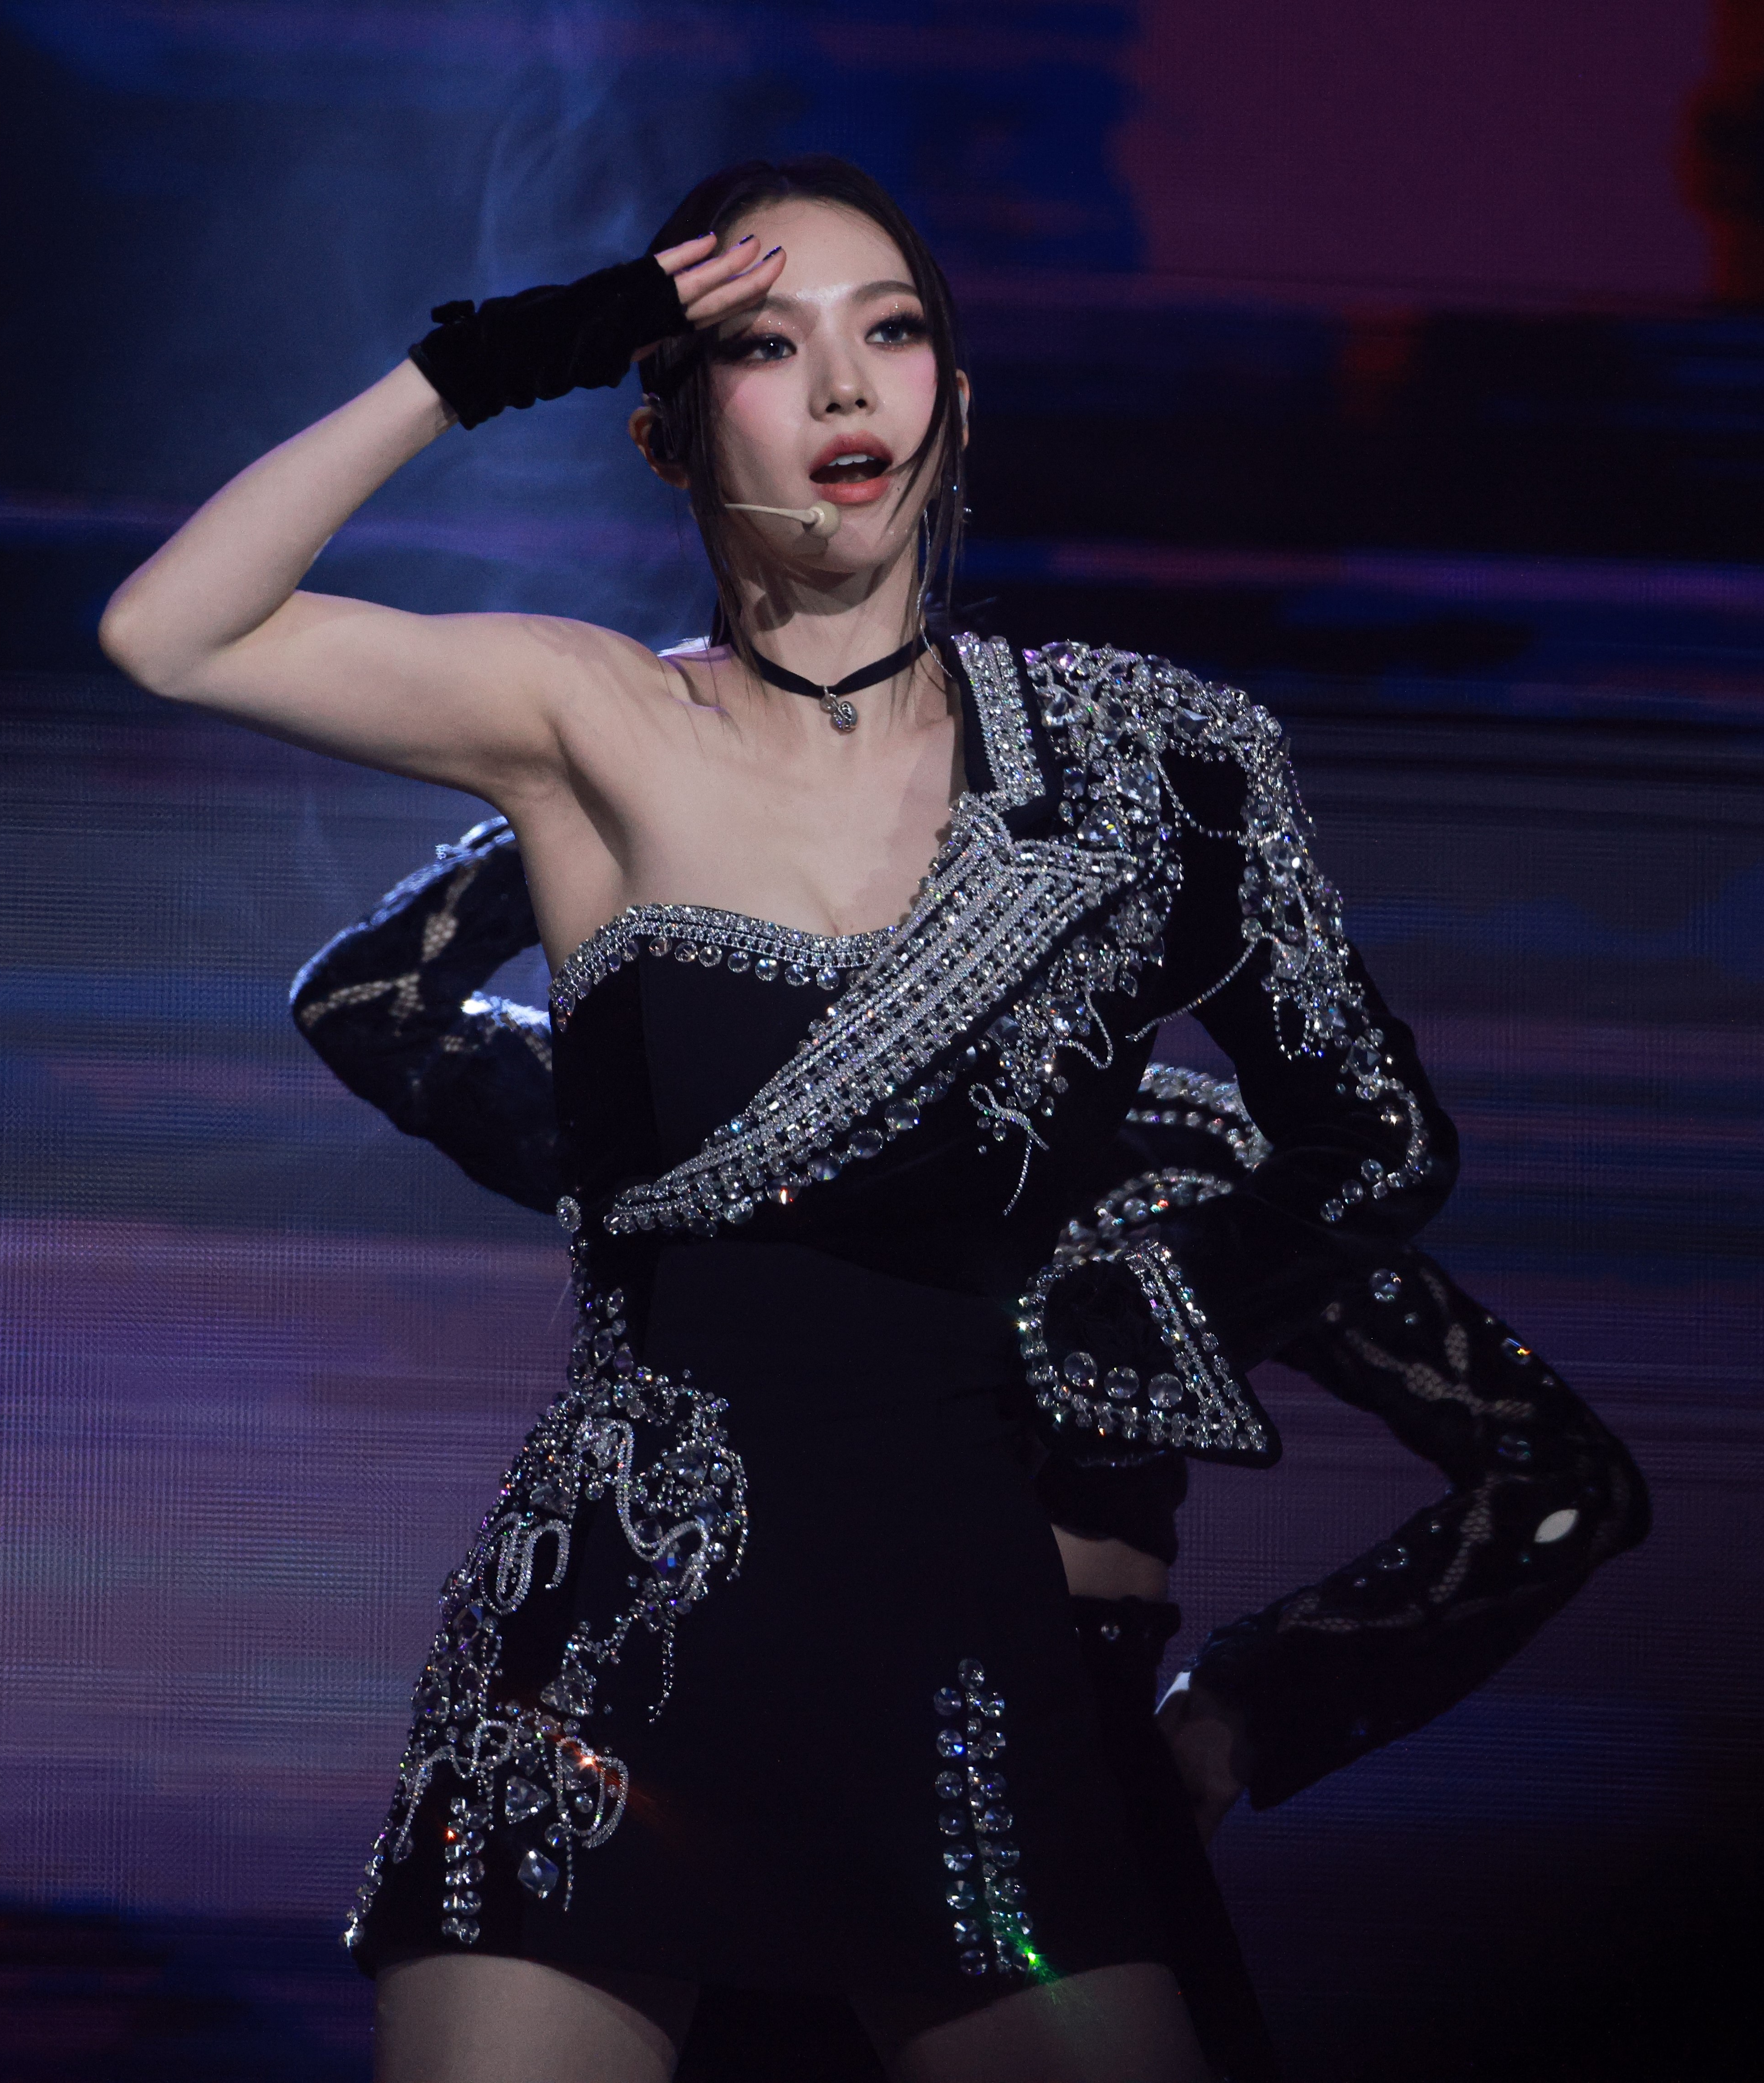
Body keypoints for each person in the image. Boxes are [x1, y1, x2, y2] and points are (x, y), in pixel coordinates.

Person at [98, 154, 1643, 2083]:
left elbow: (1377, 1139)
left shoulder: (1151, 765)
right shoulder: (592, 720)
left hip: (963, 1644)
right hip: (619, 1627)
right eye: (768, 345)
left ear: (955, 402)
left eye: (892, 332)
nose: (845, 385)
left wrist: (1127, 1303)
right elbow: (173, 633)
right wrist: (481, 366)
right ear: (667, 432)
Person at [288, 815, 1650, 2083]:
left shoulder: (1195, 1163)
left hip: (1031, 1756)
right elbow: (372, 1004)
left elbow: (1556, 1479)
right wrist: (607, 789)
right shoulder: (700, 1132)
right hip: (687, 1720)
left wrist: (1247, 1707)